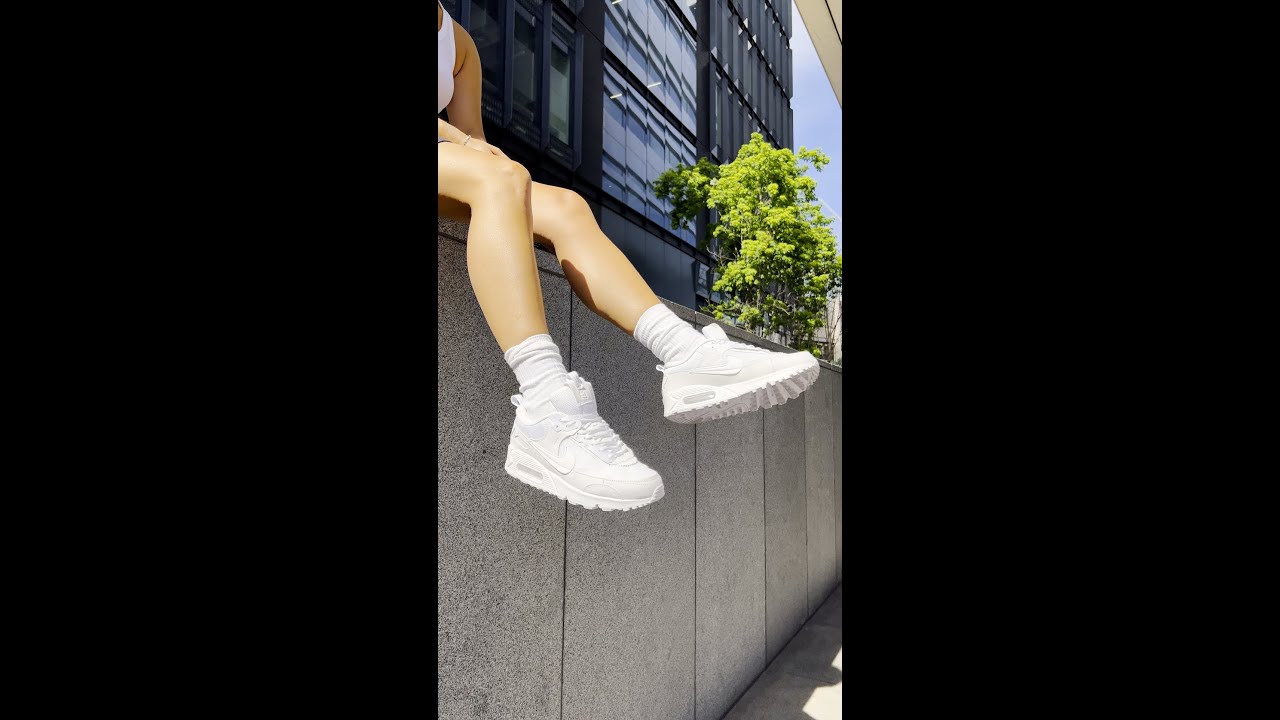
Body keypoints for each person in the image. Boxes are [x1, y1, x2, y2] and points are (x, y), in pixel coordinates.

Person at [437, 1, 819, 511]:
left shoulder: (458, 43)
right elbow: (466, 144)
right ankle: (546, 403)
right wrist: (466, 143)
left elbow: (474, 155)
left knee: (565, 205)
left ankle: (685, 353)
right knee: (505, 175)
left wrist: (478, 153)